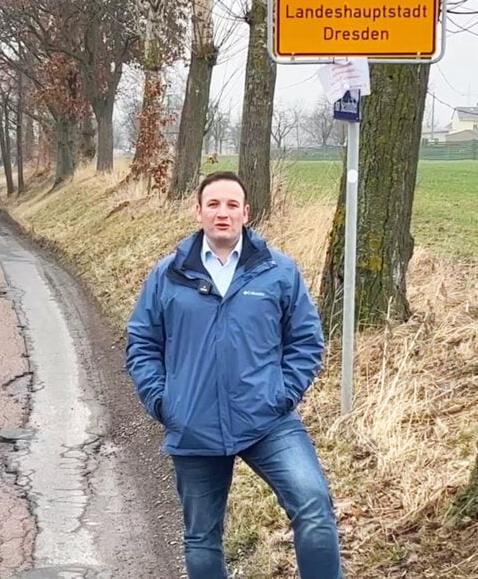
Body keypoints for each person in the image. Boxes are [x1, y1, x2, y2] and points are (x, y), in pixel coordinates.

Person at [125, 171, 342, 579]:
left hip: (268, 419)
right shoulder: (167, 275)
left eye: (230, 205)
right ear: (198, 212)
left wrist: (282, 394)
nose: (222, 213)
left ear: (246, 212)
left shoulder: (278, 271)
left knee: (314, 507)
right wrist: (163, 402)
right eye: (213, 204)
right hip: (194, 425)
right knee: (202, 538)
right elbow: (141, 342)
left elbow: (306, 340)